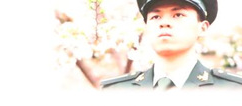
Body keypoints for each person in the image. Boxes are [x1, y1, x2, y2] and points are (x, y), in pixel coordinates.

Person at [102, 0, 242, 89]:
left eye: (178, 15)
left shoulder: (233, 90)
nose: (164, 23)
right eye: (156, 17)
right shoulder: (116, 92)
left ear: (203, 28)